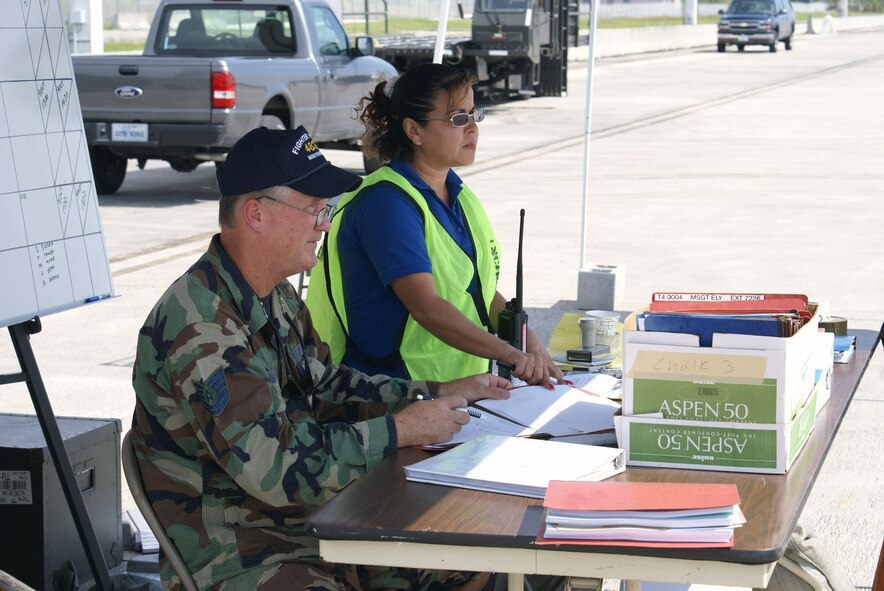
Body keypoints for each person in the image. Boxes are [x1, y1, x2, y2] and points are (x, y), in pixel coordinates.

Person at [130, 126, 511, 591]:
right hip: (244, 550)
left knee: (476, 558)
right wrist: (401, 429)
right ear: (256, 214)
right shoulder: (202, 326)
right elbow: (274, 469)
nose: (325, 224)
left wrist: (435, 393)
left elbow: (327, 388)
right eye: (314, 209)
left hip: (308, 520)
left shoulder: (274, 294)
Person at [306, 63, 564, 386]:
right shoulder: (385, 204)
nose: (472, 128)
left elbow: (476, 289)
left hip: (462, 391)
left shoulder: (457, 192)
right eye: (458, 118)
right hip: (396, 396)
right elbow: (426, 307)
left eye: (474, 114)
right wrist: (511, 355)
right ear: (414, 131)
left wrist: (528, 340)